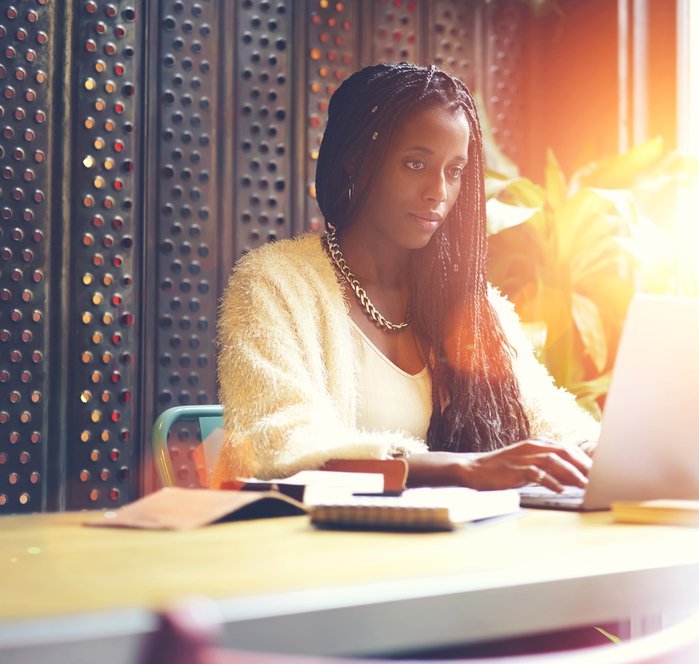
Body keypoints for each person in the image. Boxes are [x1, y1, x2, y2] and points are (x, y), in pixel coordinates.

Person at [212, 63, 599, 491]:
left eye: (454, 172)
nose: (438, 191)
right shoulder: (272, 284)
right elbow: (280, 445)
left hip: (453, 543)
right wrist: (463, 470)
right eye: (415, 164)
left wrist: (598, 451)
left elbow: (546, 417)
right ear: (355, 163)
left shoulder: (471, 304)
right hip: (313, 544)